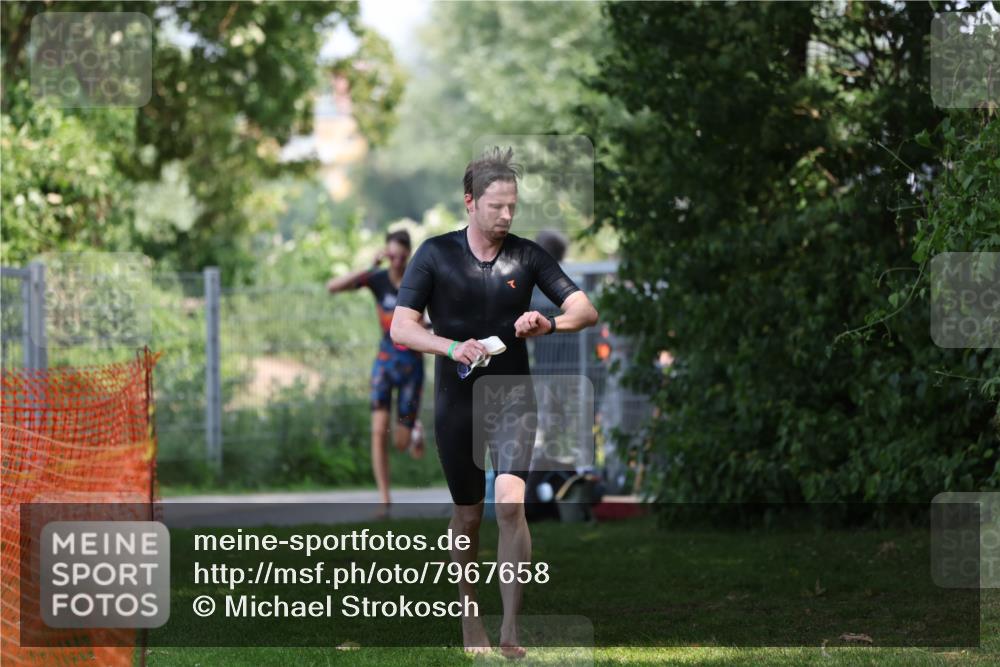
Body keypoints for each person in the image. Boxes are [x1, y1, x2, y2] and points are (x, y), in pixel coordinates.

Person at [390, 147, 599, 657]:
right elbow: (401, 328)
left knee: (509, 504)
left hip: (513, 397)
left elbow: (585, 310)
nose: (506, 215)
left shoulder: (527, 257)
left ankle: (509, 628)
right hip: (456, 400)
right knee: (467, 517)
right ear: (470, 202)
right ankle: (469, 617)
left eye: (512, 206)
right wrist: (450, 347)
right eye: (496, 206)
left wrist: (548, 323)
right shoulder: (435, 255)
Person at [327, 230, 426, 517]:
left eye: (401, 256)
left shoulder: (419, 280)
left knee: (400, 442)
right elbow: (333, 287)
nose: (396, 262)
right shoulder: (378, 279)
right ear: (386, 253)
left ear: (408, 255)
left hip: (412, 367)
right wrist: (370, 267)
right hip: (384, 363)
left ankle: (414, 431)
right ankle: (384, 499)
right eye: (391, 256)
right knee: (378, 431)